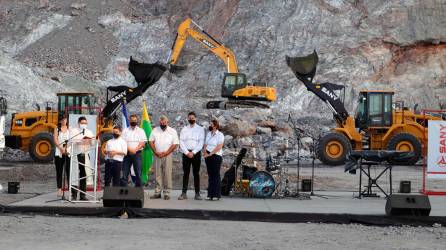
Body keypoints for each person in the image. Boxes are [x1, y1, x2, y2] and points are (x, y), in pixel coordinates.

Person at [149, 115, 179, 200]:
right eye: (161, 123)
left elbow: (175, 144)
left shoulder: (172, 131)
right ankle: (157, 192)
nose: (162, 124)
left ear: (167, 122)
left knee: (167, 174)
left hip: (168, 155)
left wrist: (166, 153)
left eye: (164, 122)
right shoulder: (155, 130)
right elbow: (150, 141)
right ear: (159, 122)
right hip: (157, 154)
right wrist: (155, 151)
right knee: (158, 174)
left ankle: (167, 193)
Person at [178, 111, 205, 200]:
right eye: (190, 118)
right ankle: (183, 193)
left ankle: (197, 193)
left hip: (196, 154)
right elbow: (181, 142)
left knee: (196, 173)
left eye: (193, 118)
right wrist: (187, 152)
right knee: (186, 173)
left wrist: (193, 152)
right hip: (186, 154)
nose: (191, 120)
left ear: (195, 118)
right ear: (188, 119)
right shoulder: (184, 129)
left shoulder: (200, 129)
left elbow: (201, 142)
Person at [70, 116, 94, 201]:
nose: (84, 124)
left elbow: (93, 143)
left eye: (85, 123)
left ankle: (83, 195)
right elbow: (71, 141)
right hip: (76, 154)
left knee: (84, 174)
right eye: (82, 123)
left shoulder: (89, 132)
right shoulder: (74, 131)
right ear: (78, 123)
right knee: (75, 174)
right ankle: (74, 194)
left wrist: (92, 141)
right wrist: (80, 141)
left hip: (85, 154)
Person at [121, 114, 147, 187]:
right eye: (132, 120)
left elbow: (143, 142)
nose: (133, 122)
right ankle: (124, 190)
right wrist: (130, 150)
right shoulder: (125, 130)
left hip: (137, 154)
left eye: (135, 121)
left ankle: (138, 190)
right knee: (125, 172)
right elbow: (123, 142)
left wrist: (135, 150)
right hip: (127, 154)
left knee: (138, 173)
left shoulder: (141, 131)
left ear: (137, 121)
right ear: (129, 121)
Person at [203, 119, 224, 201]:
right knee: (210, 175)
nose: (210, 126)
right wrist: (205, 153)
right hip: (208, 156)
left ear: (215, 126)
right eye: (210, 124)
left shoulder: (220, 135)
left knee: (216, 175)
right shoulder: (209, 134)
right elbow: (205, 144)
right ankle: (210, 194)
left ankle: (217, 194)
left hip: (216, 156)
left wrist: (210, 154)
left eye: (211, 125)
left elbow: (219, 146)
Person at [53, 116, 70, 197]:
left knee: (68, 170)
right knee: (59, 171)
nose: (64, 121)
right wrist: (60, 148)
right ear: (59, 121)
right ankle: (59, 189)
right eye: (62, 120)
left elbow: (71, 140)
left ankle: (70, 189)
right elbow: (55, 139)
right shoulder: (57, 128)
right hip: (59, 151)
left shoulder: (70, 128)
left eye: (65, 119)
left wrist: (66, 148)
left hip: (68, 151)